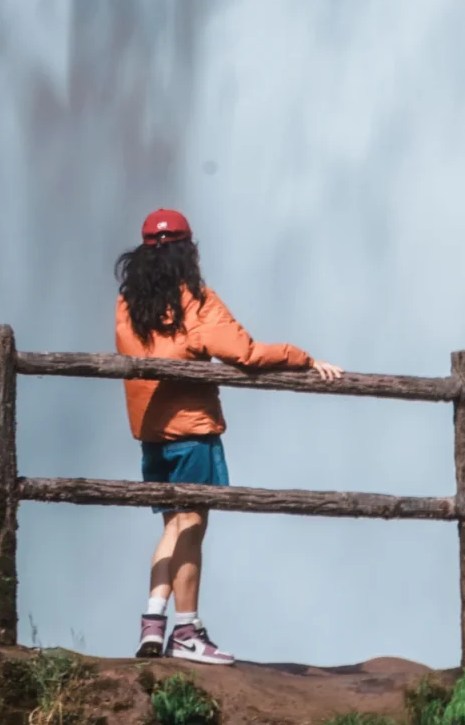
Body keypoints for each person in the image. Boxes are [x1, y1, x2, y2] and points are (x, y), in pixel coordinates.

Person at [115, 208, 343, 665]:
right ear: (187, 251)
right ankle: (186, 631)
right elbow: (246, 353)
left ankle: (151, 624)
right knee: (192, 527)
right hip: (192, 431)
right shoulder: (194, 301)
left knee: (171, 527)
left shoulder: (128, 304)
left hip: (152, 435)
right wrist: (303, 358)